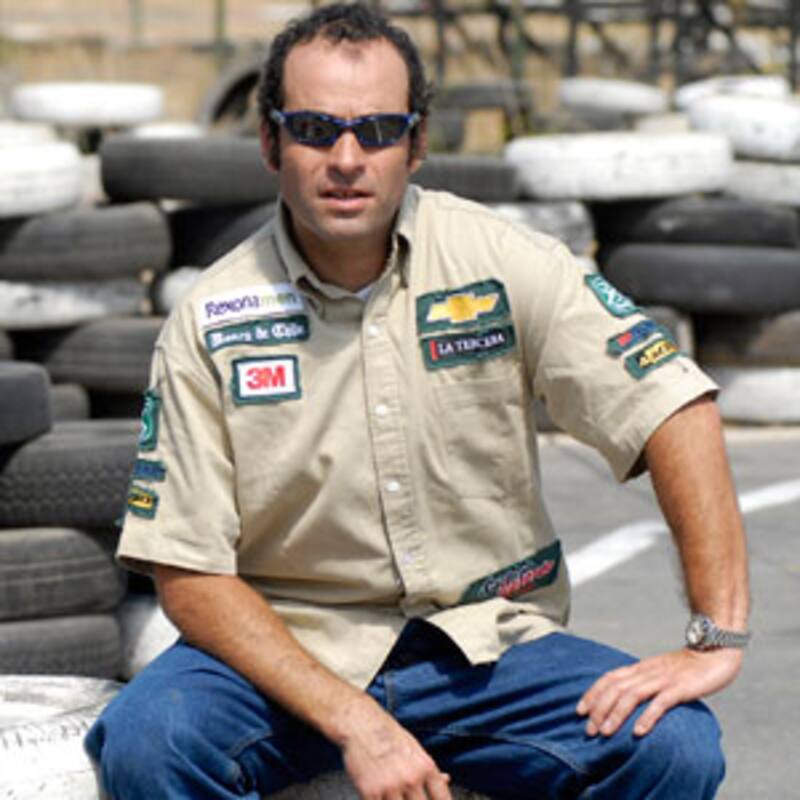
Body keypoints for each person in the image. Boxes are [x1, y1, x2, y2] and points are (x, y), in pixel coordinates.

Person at [86, 3, 750, 798]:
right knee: (149, 742)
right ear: (268, 141)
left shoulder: (504, 261)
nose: (346, 159)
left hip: (487, 649)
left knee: (673, 747)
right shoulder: (211, 319)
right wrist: (357, 723)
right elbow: (189, 574)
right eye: (314, 130)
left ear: (417, 142)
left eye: (376, 131)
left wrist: (715, 635)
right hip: (291, 650)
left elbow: (672, 404)